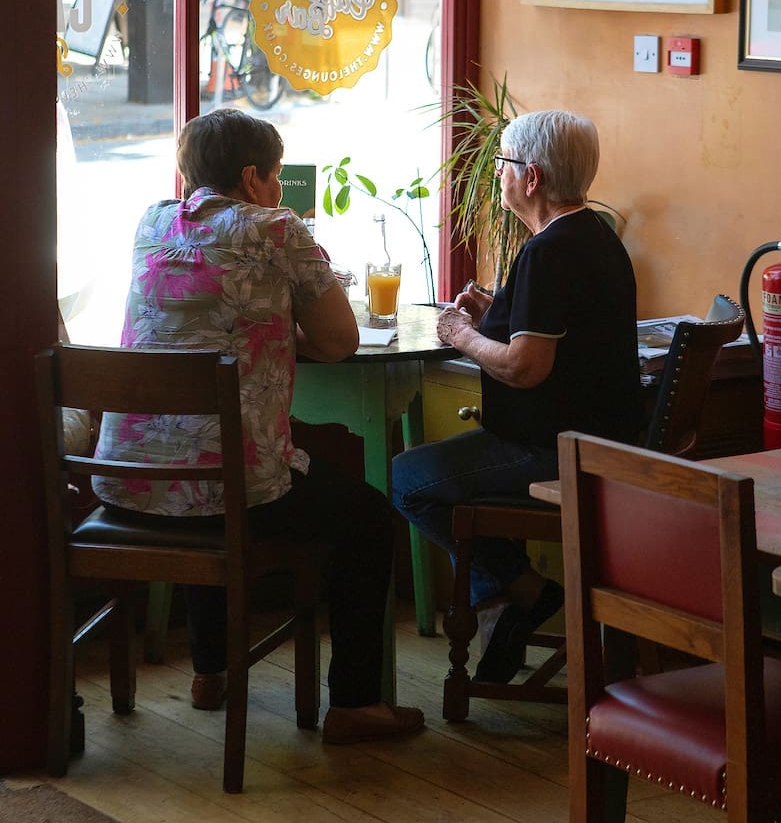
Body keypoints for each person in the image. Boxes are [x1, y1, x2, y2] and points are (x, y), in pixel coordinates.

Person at [93, 108, 424, 745]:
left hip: (128, 479)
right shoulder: (276, 227)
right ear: (252, 179)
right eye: (275, 176)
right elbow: (337, 341)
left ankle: (211, 672)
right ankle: (355, 704)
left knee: (205, 460)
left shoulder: (152, 219)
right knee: (366, 518)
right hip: (226, 491)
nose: (278, 189)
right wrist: (276, 327)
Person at [392, 110, 641, 684]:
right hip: (599, 440)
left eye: (502, 165)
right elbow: (552, 333)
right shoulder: (592, 235)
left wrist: (461, 334)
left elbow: (526, 368)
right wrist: (494, 314)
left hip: (555, 450)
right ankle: (517, 593)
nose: (496, 175)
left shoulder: (549, 252)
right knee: (441, 479)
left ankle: (522, 591)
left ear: (530, 178)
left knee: (409, 480)